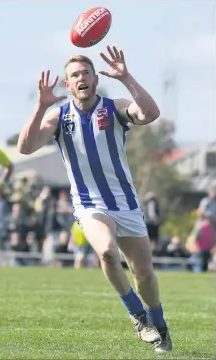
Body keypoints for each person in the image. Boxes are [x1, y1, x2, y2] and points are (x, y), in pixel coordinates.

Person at [17, 45, 172, 353]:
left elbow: (150, 114)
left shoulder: (114, 107)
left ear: (95, 79)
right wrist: (39, 107)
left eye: (86, 72)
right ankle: (138, 317)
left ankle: (160, 325)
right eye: (74, 75)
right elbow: (25, 148)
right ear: (68, 84)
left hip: (125, 203)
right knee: (107, 253)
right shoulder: (58, 116)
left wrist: (126, 77)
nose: (81, 77)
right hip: (89, 205)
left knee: (144, 275)